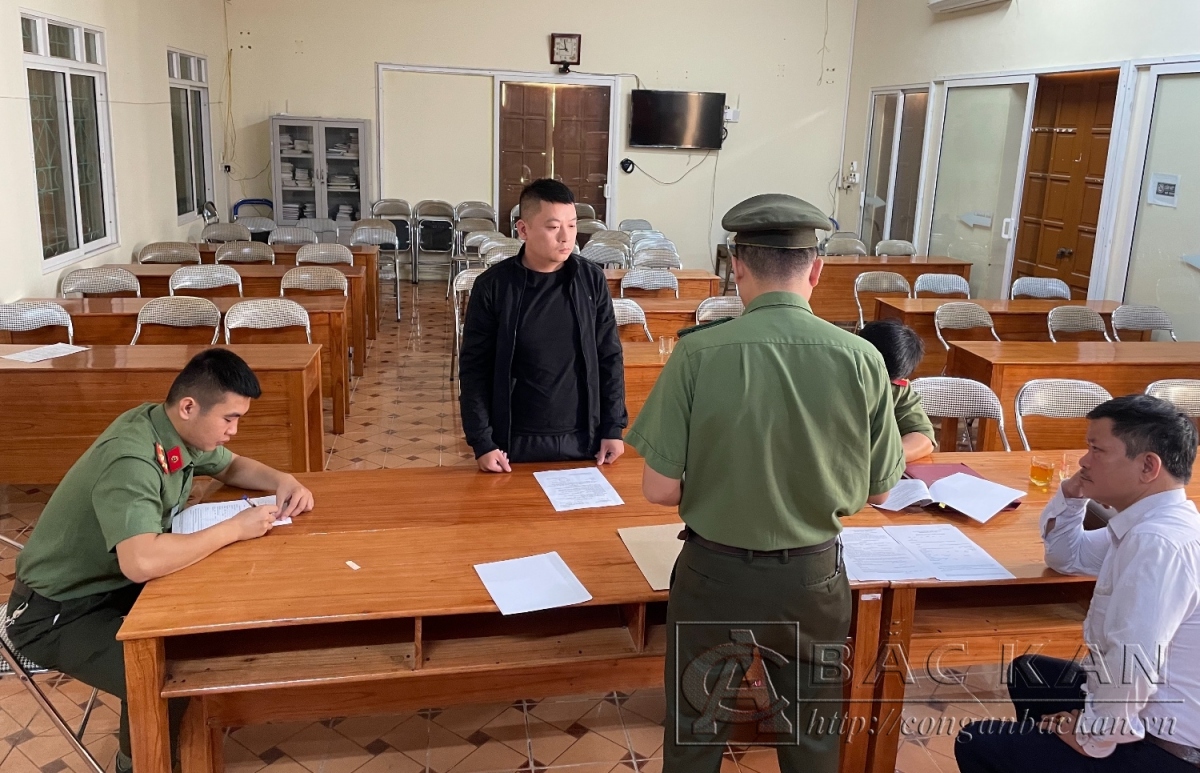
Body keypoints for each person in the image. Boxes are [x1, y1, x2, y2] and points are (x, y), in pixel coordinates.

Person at [625, 194, 905, 773]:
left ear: (737, 265)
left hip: (714, 575)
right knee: (811, 739)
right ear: (817, 268)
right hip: (813, 576)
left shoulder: (697, 354)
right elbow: (880, 490)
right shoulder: (861, 358)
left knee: (697, 733)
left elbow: (659, 490)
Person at [4, 349, 315, 773]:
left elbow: (232, 466)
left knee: (205, 614)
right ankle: (137, 765)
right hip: (59, 613)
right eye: (229, 418)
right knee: (171, 675)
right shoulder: (132, 458)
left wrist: (284, 480)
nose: (234, 431)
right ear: (189, 407)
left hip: (110, 587)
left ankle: (175, 743)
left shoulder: (170, 427)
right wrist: (233, 529)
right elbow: (141, 561)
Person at [954, 394, 1200, 773]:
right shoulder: (1154, 523)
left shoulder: (1156, 544)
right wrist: (1072, 495)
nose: (1084, 460)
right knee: (1029, 672)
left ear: (1148, 466)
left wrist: (1091, 737)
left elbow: (1133, 663)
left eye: (1097, 450)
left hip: (1166, 747)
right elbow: (1069, 558)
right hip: (1145, 712)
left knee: (977, 741)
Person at [458, 178, 627, 472]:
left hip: (584, 439)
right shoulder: (493, 287)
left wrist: (613, 428)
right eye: (553, 227)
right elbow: (474, 369)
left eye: (572, 225)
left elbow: (609, 357)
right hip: (513, 443)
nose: (566, 237)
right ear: (523, 229)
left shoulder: (591, 281)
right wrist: (482, 441)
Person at [858, 318, 935, 461]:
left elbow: (923, 437)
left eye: (889, 380)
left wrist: (883, 460)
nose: (880, 385)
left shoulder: (896, 384)